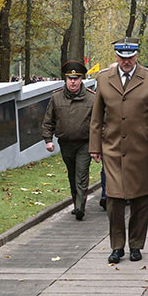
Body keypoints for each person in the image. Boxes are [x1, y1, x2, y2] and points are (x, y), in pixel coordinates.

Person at [89, 37, 148, 264]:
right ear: (116, 57)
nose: (126, 61)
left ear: (136, 56)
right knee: (114, 199)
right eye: (122, 57)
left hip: (141, 149)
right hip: (112, 149)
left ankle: (136, 245)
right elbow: (96, 117)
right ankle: (116, 246)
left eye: (130, 57)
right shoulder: (104, 79)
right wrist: (95, 146)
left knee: (141, 199)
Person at [41, 61, 95, 220]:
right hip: (65, 143)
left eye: (76, 78)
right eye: (70, 78)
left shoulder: (92, 98)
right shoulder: (56, 97)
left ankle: (80, 207)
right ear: (65, 79)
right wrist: (48, 140)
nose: (73, 81)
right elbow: (48, 121)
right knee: (72, 174)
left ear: (81, 80)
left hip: (85, 143)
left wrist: (98, 144)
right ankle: (76, 202)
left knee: (81, 173)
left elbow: (99, 123)